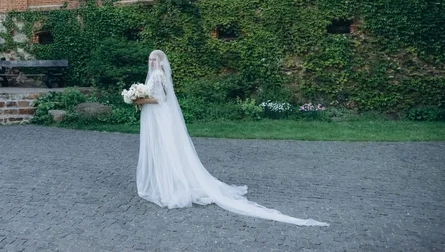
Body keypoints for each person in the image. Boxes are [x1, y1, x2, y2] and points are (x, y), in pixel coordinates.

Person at [134, 50, 329, 226]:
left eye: (154, 59)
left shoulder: (159, 75)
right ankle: (165, 182)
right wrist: (140, 98)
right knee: (162, 149)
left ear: (160, 62)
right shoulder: (153, 76)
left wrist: (140, 99)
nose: (151, 61)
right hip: (156, 117)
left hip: (161, 117)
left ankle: (173, 184)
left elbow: (161, 99)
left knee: (167, 149)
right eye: (150, 58)